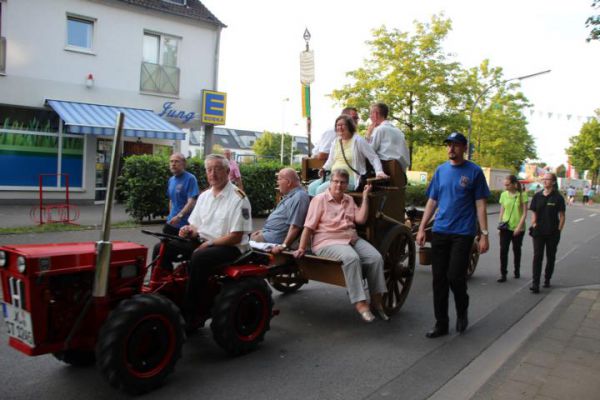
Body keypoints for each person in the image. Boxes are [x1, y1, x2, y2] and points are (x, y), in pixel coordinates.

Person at [416, 132, 490, 338]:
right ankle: (441, 323)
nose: (451, 149)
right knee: (438, 279)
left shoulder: (474, 172)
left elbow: (481, 205)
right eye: (448, 145)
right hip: (440, 231)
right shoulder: (441, 171)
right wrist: (422, 228)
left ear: (464, 148)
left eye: (456, 145)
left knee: (455, 277)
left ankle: (462, 310)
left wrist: (484, 234)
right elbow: (432, 201)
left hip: (463, 233)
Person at [294, 169, 388, 322]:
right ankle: (360, 303)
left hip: (351, 238)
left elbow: (361, 219)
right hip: (327, 240)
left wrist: (365, 197)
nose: (339, 185)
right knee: (352, 258)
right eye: (335, 181)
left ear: (346, 185)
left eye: (342, 182)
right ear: (330, 183)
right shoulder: (319, 199)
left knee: (376, 258)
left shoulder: (349, 200)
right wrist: (302, 248)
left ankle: (377, 302)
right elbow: (309, 226)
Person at [179, 154, 252, 318]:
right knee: (163, 246)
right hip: (205, 242)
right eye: (209, 170)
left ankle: (192, 312)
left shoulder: (239, 198)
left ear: (227, 171)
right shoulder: (204, 196)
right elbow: (195, 226)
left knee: (199, 258)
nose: (213, 174)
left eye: (217, 169)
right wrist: (188, 230)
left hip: (230, 247)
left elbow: (236, 237)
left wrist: (210, 243)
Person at [308, 114, 388, 196]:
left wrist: (379, 171)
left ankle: (323, 208)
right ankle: (316, 208)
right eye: (338, 125)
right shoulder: (336, 142)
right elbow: (331, 160)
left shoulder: (358, 141)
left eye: (342, 125)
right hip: (334, 177)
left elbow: (373, 157)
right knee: (311, 187)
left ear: (349, 126)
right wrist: (324, 168)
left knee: (320, 190)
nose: (340, 127)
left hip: (350, 179)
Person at [152, 153, 199, 269]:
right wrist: (170, 215)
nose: (173, 164)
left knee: (168, 250)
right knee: (160, 253)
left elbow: (192, 201)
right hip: (171, 223)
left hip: (184, 226)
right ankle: (162, 277)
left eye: (176, 161)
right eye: (171, 161)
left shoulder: (190, 179)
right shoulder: (171, 180)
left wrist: (179, 216)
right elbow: (171, 200)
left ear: (184, 163)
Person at [250, 168, 310, 254]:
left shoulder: (299, 197)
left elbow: (295, 227)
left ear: (288, 182)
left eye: (279, 179)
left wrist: (284, 246)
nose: (277, 182)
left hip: (272, 242)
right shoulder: (292, 195)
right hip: (267, 236)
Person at [529, 172, 565, 293]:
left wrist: (559, 230)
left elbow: (562, 215)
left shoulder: (558, 197)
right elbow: (533, 211)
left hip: (552, 233)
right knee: (537, 257)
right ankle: (535, 283)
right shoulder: (537, 196)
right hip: (538, 232)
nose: (544, 181)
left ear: (553, 182)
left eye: (547, 179)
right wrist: (534, 223)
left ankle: (547, 278)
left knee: (550, 257)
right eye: (543, 179)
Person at [497, 175, 528, 282]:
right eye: (505, 185)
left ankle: (517, 270)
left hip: (518, 227)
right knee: (503, 250)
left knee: (516, 249)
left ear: (514, 184)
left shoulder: (522, 195)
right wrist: (499, 225)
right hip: (505, 227)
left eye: (508, 185)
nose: (506, 187)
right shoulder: (504, 195)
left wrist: (519, 227)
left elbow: (524, 213)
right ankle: (503, 274)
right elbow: (502, 211)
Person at [366, 102, 410, 171]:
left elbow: (369, 152)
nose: (370, 116)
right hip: (401, 174)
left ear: (376, 114)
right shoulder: (399, 131)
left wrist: (368, 135)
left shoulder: (379, 130)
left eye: (371, 113)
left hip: (386, 172)